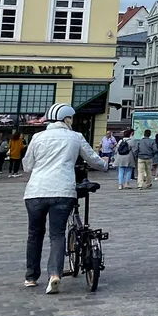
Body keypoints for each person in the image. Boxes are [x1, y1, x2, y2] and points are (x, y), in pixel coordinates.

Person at [21, 104, 107, 293]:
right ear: (67, 119)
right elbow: (94, 160)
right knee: (57, 234)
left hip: (35, 192)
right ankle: (54, 275)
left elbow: (27, 165)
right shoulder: (75, 137)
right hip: (62, 191)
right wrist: (106, 165)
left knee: (34, 234)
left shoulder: (37, 137)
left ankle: (31, 277)